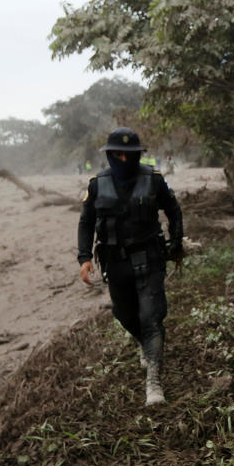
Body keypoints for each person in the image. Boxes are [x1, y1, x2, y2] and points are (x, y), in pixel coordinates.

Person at [78, 127, 184, 406]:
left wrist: (176, 243)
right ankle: (145, 343)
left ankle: (154, 380)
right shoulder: (97, 184)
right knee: (124, 314)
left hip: (149, 258)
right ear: (110, 155)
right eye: (118, 154)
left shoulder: (154, 180)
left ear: (139, 155)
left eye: (130, 154)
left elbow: (173, 210)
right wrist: (84, 257)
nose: (124, 159)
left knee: (152, 317)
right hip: (115, 264)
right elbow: (86, 222)